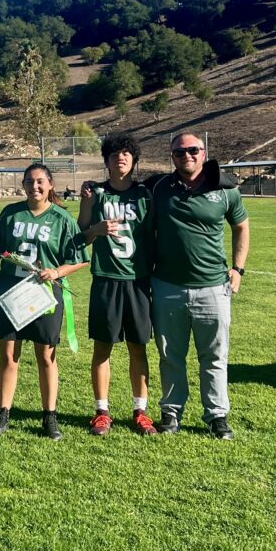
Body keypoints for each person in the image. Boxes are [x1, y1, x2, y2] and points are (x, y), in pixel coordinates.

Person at [147, 133, 250, 439]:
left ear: (204, 152)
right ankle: (171, 412)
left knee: (214, 356)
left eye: (193, 150)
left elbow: (241, 226)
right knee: (170, 355)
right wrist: (93, 188)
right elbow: (120, 186)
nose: (186, 156)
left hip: (213, 287)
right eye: (179, 152)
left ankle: (217, 416)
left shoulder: (225, 189)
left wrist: (238, 269)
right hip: (167, 286)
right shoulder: (157, 188)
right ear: (172, 156)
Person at [0, 163, 88, 440]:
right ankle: (2, 414)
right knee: (8, 355)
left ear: (51, 184)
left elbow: (78, 259)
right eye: (29, 182)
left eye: (40, 181)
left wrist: (56, 272)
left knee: (46, 356)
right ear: (23, 185)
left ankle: (49, 416)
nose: (35, 187)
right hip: (11, 290)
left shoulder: (62, 218)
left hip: (44, 293)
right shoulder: (10, 213)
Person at [78, 133, 158, 436]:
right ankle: (102, 410)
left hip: (138, 281)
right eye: (114, 155)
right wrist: (96, 229)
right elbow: (82, 233)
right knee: (103, 348)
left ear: (134, 160)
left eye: (126, 154)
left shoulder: (145, 194)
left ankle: (140, 410)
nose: (120, 158)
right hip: (107, 279)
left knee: (139, 348)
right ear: (106, 161)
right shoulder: (96, 194)